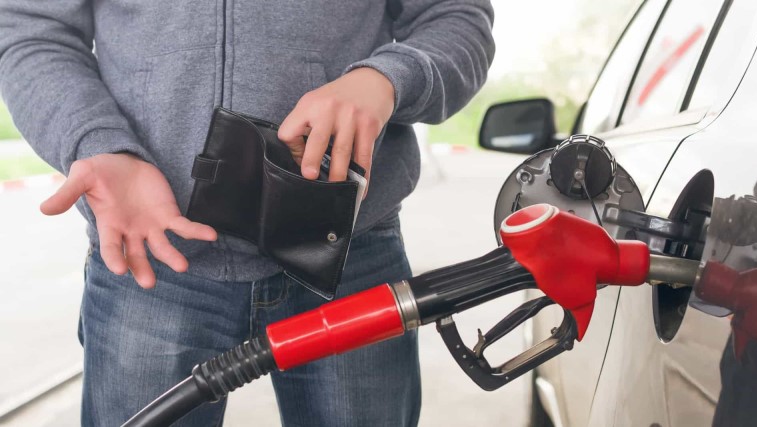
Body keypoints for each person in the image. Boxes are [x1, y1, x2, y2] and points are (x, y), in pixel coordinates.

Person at [0, 1, 495, 425]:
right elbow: (31, 30)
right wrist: (97, 142)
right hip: (150, 250)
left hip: (347, 250)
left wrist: (386, 79)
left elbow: (454, 18)